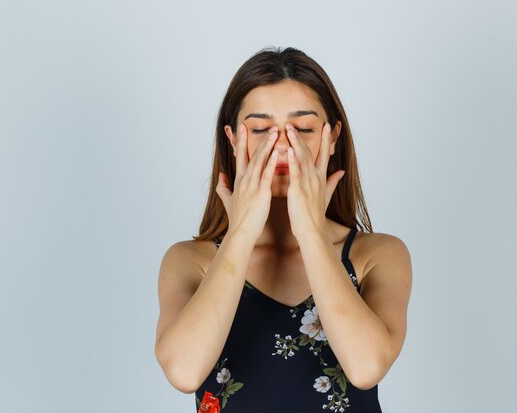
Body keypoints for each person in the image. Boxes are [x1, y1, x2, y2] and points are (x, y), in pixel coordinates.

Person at [154, 46, 412, 413]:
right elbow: (183, 371)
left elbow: (366, 367)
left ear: (333, 135)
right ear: (232, 139)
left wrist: (309, 228)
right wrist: (242, 230)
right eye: (259, 129)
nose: (280, 146)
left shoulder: (376, 255)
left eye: (303, 128)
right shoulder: (190, 260)